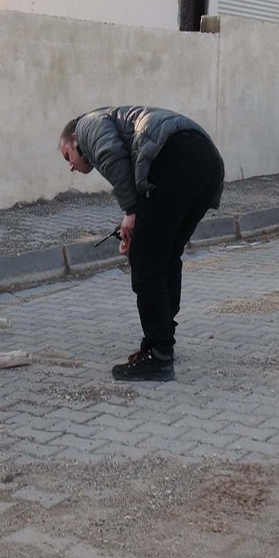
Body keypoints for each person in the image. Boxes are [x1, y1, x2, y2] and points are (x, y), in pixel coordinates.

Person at [58, 107, 225, 382]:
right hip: (206, 162)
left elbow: (112, 155)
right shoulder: (116, 122)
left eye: (68, 156)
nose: (71, 166)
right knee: (166, 256)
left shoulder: (87, 125)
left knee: (146, 262)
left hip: (176, 155)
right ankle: (162, 341)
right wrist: (136, 222)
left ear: (74, 138)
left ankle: (158, 357)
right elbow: (131, 170)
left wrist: (131, 211)